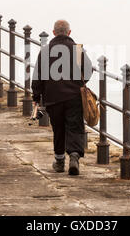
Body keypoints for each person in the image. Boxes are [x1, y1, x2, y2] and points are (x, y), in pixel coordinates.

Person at [31, 20, 93, 175]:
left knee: (58, 128)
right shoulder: (77, 50)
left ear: (53, 33)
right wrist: (79, 82)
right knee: (74, 126)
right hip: (74, 96)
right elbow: (89, 70)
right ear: (69, 32)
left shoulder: (45, 51)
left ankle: (59, 162)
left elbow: (37, 76)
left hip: (53, 97)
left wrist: (36, 96)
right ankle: (74, 156)